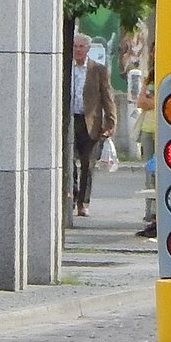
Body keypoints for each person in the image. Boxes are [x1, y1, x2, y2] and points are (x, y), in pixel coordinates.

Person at [71, 33, 117, 217]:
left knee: (87, 164)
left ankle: (83, 202)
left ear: (88, 49)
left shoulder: (98, 70)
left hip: (91, 122)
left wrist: (110, 122)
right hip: (71, 121)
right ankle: (72, 196)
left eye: (81, 46)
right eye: (75, 46)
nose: (78, 50)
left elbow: (108, 97)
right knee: (69, 163)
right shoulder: (66, 68)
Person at [135, 68, 157, 238]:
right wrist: (155, 101)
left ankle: (159, 215)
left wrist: (153, 101)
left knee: (162, 174)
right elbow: (141, 102)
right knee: (150, 172)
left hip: (164, 130)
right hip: (147, 131)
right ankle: (150, 213)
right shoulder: (148, 79)